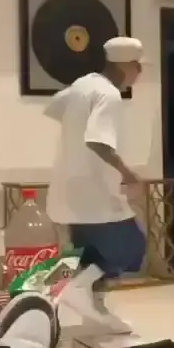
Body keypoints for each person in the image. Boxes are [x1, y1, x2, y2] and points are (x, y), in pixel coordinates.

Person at [44, 37, 147, 332]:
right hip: (95, 192)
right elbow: (98, 141)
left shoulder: (83, 85)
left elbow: (54, 106)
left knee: (89, 255)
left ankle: (96, 313)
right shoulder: (109, 94)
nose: (139, 74)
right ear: (127, 66)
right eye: (138, 67)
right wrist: (128, 174)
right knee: (132, 246)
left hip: (69, 190)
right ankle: (75, 289)